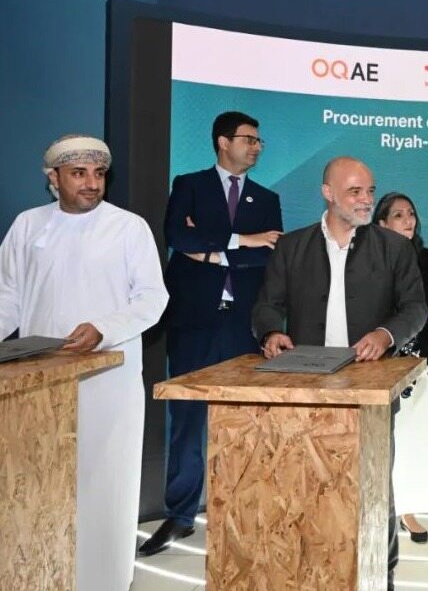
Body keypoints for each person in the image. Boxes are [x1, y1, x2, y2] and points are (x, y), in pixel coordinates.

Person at [0, 135, 168, 590]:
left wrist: (103, 329)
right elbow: (8, 298)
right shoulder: (28, 225)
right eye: (79, 174)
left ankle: (105, 581)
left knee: (104, 484)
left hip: (109, 381)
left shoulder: (128, 227)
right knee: (41, 482)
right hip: (40, 385)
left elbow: (152, 298)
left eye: (99, 174)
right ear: (53, 179)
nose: (92, 183)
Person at [252, 156, 428, 589]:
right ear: (328, 193)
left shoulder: (394, 248)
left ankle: (381, 573)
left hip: (370, 386)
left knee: (374, 484)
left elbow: (415, 308)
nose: (366, 200)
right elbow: (267, 305)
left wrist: (386, 334)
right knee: (306, 481)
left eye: (370, 191)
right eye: (355, 191)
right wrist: (271, 332)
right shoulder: (292, 247)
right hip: (305, 386)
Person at [140, 111, 283, 556]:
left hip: (243, 325)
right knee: (186, 421)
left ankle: (239, 512)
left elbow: (269, 254)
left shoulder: (267, 198)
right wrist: (242, 241)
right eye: (249, 139)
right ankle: (181, 516)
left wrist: (211, 251)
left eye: (259, 141)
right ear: (223, 142)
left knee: (244, 423)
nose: (256, 147)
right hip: (193, 322)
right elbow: (176, 238)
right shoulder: (189, 185)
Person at [374, 192, 428, 544]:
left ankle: (407, 509)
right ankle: (380, 507)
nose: (408, 220)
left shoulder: (426, 258)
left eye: (410, 213)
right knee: (384, 439)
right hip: (379, 364)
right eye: (398, 215)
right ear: (381, 223)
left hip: (421, 361)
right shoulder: (365, 259)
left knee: (416, 438)